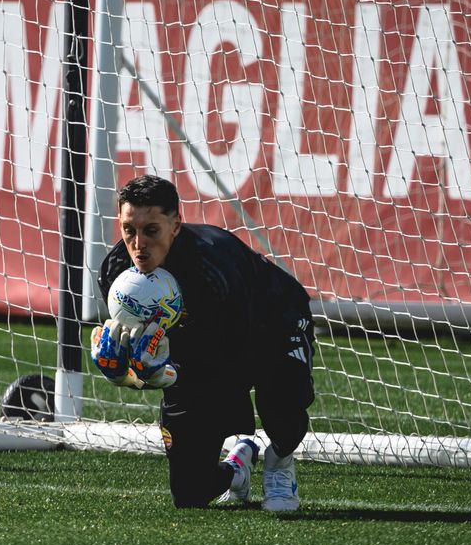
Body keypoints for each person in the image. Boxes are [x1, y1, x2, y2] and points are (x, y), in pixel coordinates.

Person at [91, 175, 315, 511]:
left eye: (151, 230)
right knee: (190, 493)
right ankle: (237, 470)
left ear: (176, 225)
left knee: (284, 395)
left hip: (267, 322)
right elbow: (154, 362)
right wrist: (122, 373)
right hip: (198, 348)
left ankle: (280, 461)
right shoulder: (116, 275)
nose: (138, 244)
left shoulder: (211, 269)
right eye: (128, 230)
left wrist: (166, 374)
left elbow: (224, 362)